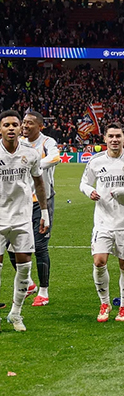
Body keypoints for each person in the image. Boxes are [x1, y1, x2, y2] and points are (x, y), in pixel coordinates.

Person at [79, 122, 124, 323]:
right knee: (99, 261)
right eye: (110, 136)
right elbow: (83, 183)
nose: (114, 140)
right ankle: (104, 303)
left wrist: (123, 191)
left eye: (118, 136)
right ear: (105, 139)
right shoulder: (95, 161)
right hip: (102, 221)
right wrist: (89, 191)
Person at [0, 110, 49, 331]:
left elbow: (39, 183)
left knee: (24, 267)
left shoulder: (30, 153)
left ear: (21, 128)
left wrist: (45, 213)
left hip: (22, 218)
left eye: (15, 125)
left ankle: (16, 313)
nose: (11, 128)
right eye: (6, 125)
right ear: (0, 129)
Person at [6, 111, 59, 306]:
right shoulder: (18, 143)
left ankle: (43, 291)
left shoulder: (47, 143)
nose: (25, 126)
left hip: (42, 201)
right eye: (24, 123)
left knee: (40, 245)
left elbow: (56, 158)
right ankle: (28, 284)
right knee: (12, 244)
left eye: (29, 123)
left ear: (40, 126)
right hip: (20, 201)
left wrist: (34, 163)